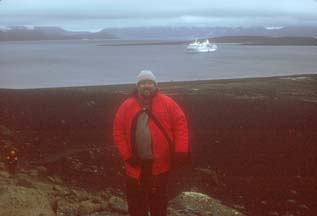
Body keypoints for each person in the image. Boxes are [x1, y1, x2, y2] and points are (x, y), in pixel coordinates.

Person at [113, 70, 190, 216]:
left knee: (159, 200)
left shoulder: (167, 102)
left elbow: (181, 125)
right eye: (142, 83)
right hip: (135, 165)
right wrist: (127, 156)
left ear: (155, 85)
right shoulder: (127, 105)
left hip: (161, 163)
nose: (146, 86)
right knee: (136, 202)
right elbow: (118, 132)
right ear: (138, 86)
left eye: (149, 82)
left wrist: (181, 151)